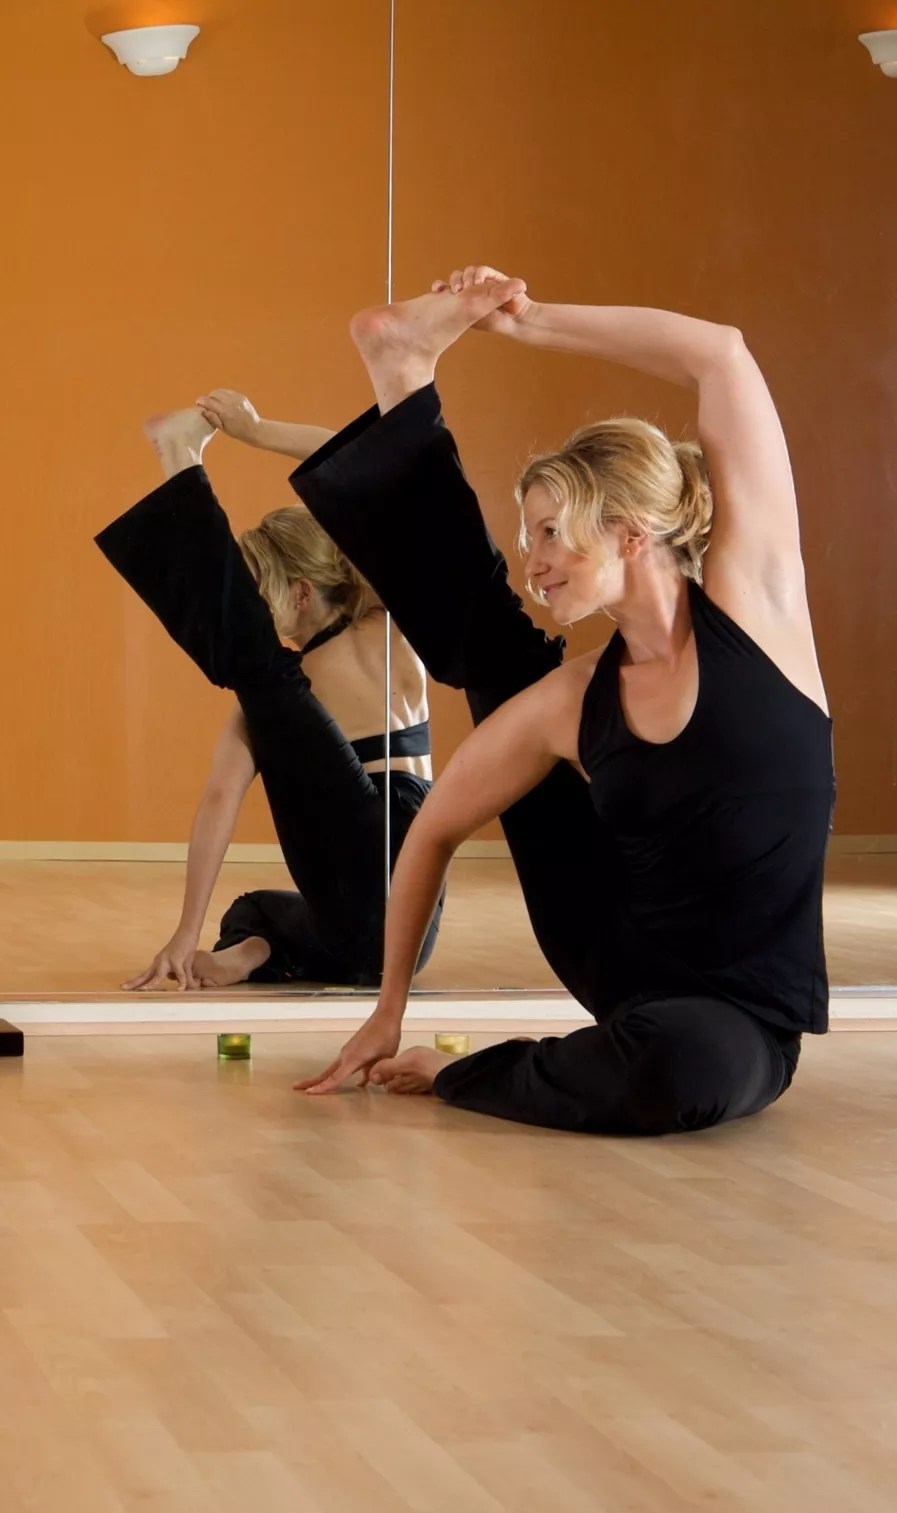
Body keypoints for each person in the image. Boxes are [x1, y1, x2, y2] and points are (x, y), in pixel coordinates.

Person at [295, 268, 833, 1135]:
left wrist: (529, 320)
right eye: (527, 537)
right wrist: (387, 1008)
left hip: (741, 1021)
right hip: (623, 967)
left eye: (551, 532)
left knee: (683, 1066)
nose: (533, 560)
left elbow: (722, 356)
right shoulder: (571, 700)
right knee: (511, 674)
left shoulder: (758, 611)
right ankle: (402, 375)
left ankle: (403, 380)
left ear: (630, 529)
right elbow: (432, 829)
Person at [97, 390, 438, 991]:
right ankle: (254, 949)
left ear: (301, 591)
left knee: (258, 671)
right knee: (254, 909)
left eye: (258, 589)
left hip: (380, 883)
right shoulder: (390, 632)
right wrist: (258, 432)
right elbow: (362, 466)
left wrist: (185, 931)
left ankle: (181, 459)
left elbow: (219, 798)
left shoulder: (289, 680)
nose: (252, 606)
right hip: (409, 938)